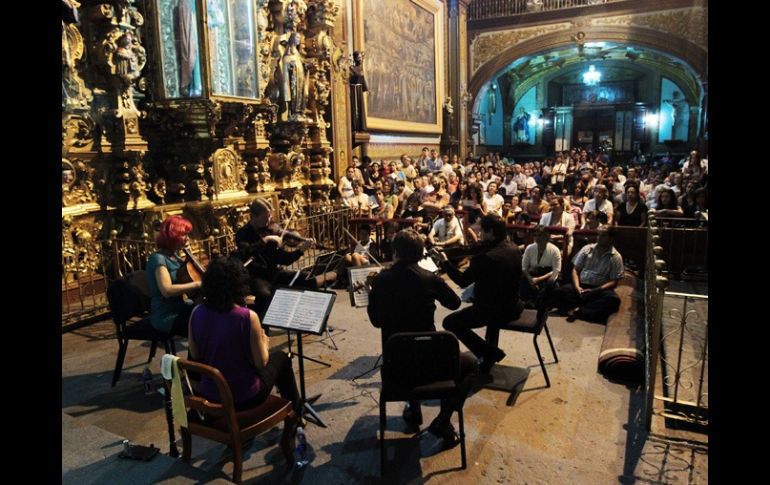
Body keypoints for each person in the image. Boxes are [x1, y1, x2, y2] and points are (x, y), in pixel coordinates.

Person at [367, 229, 475, 447]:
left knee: (406, 346)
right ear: (420, 253)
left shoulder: (381, 280)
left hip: (396, 366)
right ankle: (443, 421)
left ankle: (414, 409)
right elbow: (454, 303)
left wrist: (372, 293)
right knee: (472, 365)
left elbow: (377, 321)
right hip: (432, 361)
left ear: (396, 252)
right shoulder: (429, 278)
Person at [188, 256, 301, 415]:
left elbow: (195, 354)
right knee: (282, 358)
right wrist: (264, 342)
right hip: (244, 397)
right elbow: (261, 363)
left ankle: (294, 413)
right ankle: (296, 414)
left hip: (210, 393)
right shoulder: (247, 316)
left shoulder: (196, 312)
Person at [438, 214, 523, 374]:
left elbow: (462, 281)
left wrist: (445, 263)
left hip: (491, 311)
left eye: (482, 232)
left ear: (490, 232)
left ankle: (488, 353)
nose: (479, 235)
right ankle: (488, 351)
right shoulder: (513, 248)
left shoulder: (485, 258)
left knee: (450, 322)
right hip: (514, 306)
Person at [235, 199, 336, 319]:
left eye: (270, 216)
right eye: (265, 217)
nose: (269, 221)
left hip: (275, 273)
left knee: (308, 279)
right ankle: (260, 324)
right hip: (257, 276)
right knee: (265, 295)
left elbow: (284, 260)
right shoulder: (243, 234)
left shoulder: (271, 231)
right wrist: (264, 240)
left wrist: (300, 251)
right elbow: (245, 253)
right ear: (253, 217)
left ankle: (309, 318)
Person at [550, 225, 624, 323]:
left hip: (599, 290)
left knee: (613, 300)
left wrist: (594, 291)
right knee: (559, 291)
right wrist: (577, 287)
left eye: (603, 236)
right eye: (599, 235)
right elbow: (575, 270)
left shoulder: (616, 257)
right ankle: (586, 309)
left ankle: (580, 311)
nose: (599, 238)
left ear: (611, 238)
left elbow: (614, 282)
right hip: (581, 287)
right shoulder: (587, 249)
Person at [146, 215, 202, 336]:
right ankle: (196, 354)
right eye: (184, 235)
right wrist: (198, 284)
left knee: (210, 315)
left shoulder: (175, 256)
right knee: (205, 324)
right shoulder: (158, 259)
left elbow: (190, 271)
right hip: (166, 315)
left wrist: (189, 253)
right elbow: (167, 290)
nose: (188, 238)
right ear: (173, 236)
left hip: (179, 308)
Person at [520, 226, 562, 308]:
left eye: (541, 235)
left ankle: (538, 303)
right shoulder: (530, 248)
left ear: (547, 237)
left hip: (547, 275)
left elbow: (556, 270)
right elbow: (524, 267)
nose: (538, 238)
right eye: (536, 235)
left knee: (551, 285)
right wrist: (531, 280)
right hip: (532, 275)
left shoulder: (555, 250)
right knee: (522, 279)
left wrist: (538, 279)